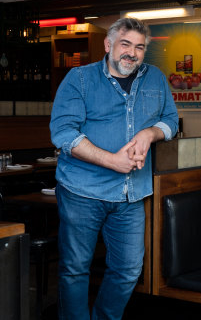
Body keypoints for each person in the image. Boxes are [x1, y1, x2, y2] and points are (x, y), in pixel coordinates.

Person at [50, 17, 178, 320]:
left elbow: (171, 120)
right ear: (108, 45)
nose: (131, 53)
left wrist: (150, 133)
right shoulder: (79, 79)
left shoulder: (155, 77)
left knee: (128, 269)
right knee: (75, 269)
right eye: (125, 44)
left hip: (131, 194)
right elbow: (63, 133)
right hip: (82, 191)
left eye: (139, 47)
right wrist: (112, 161)